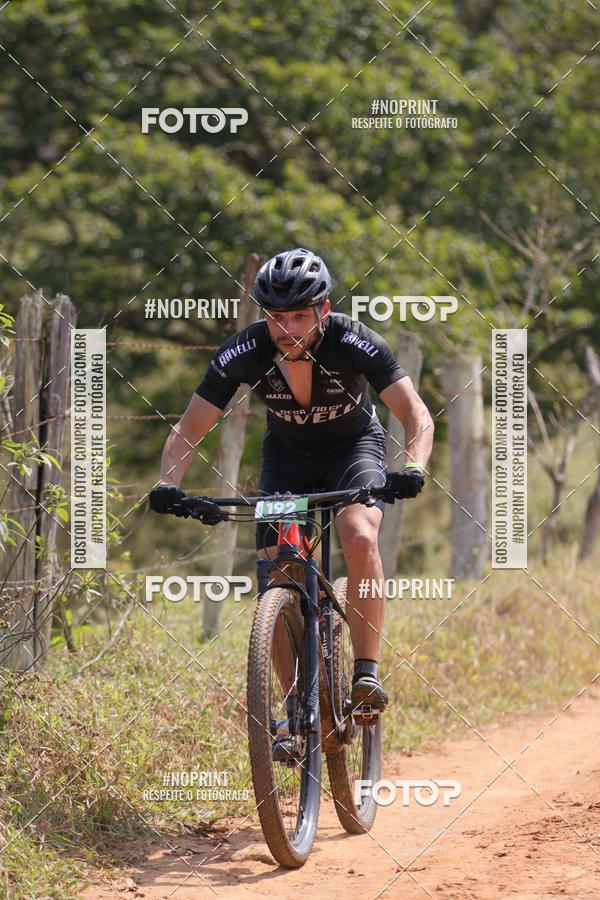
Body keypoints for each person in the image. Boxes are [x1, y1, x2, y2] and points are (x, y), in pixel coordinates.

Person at [149, 247, 433, 721]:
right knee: (276, 568)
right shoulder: (246, 351)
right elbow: (189, 428)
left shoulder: (353, 341)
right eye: (277, 317)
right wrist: (168, 482)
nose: (289, 329)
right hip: (287, 459)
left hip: (353, 451)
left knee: (359, 535)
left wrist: (414, 467)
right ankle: (294, 706)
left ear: (323, 310)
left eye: (301, 316)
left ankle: (366, 672)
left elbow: (416, 415)